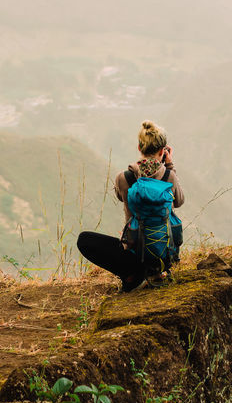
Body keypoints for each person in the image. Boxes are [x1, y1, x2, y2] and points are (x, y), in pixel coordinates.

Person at [76, 119, 185, 292]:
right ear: (163, 151)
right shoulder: (169, 177)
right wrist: (169, 166)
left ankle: (132, 274)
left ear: (139, 148)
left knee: (84, 239)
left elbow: (120, 197)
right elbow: (179, 201)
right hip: (164, 256)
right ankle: (153, 272)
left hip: (134, 254)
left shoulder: (123, 178)